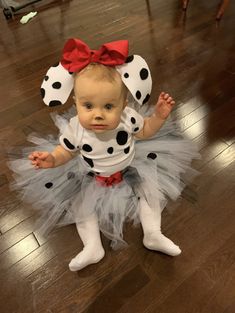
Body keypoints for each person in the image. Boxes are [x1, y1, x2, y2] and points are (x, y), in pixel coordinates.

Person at [9, 38, 199, 271]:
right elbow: (66, 151)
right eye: (88, 106)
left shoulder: (128, 118)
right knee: (81, 206)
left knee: (150, 192)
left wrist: (158, 117)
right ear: (75, 101)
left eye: (108, 107)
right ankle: (92, 247)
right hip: (90, 174)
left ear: (123, 103)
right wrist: (53, 159)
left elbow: (146, 131)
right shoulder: (75, 128)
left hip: (129, 168)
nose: (97, 115)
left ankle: (153, 234)